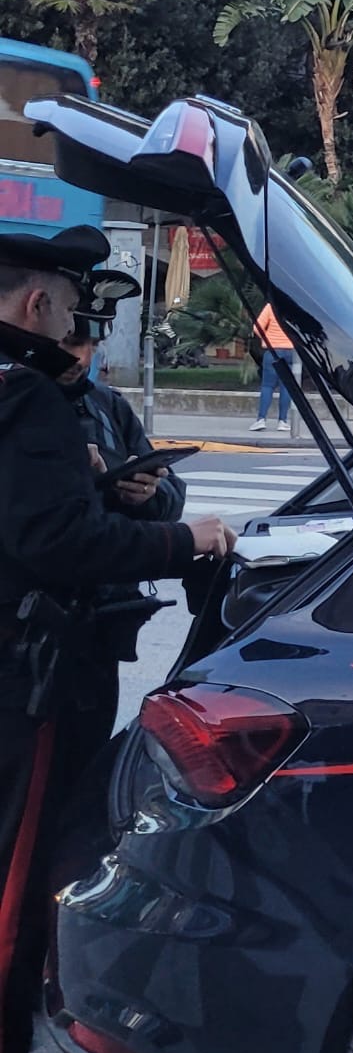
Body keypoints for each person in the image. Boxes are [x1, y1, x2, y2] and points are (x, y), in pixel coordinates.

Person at [0, 227, 234, 1053]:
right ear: (34, 305)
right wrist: (190, 545)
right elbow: (59, 546)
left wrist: (113, 493)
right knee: (17, 886)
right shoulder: (33, 402)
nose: (74, 321)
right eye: (66, 299)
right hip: (31, 679)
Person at [59, 269, 187, 751]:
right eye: (72, 341)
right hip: (37, 627)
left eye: (93, 344)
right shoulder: (19, 404)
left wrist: (147, 493)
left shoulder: (109, 406)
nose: (82, 358)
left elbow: (171, 498)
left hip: (103, 622)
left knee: (87, 757)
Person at [249, 301, 294, 431]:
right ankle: (282, 421)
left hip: (272, 350)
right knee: (286, 386)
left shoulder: (271, 306)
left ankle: (261, 419)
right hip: (290, 351)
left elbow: (257, 328)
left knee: (267, 385)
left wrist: (266, 338)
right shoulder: (293, 306)